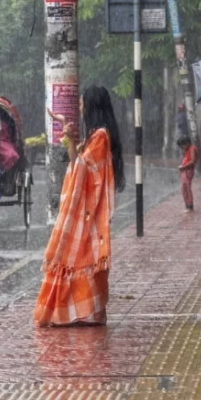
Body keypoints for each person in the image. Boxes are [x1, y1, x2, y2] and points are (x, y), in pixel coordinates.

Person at [34, 86, 125, 327]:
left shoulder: (101, 137)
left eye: (83, 104)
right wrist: (72, 141)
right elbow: (79, 166)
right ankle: (83, 311)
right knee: (81, 255)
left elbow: (84, 169)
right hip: (86, 209)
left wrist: (72, 141)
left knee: (83, 255)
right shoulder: (96, 136)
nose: (81, 108)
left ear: (92, 107)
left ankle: (88, 312)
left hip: (88, 210)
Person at [177, 136, 198, 211]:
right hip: (185, 170)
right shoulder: (188, 149)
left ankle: (189, 205)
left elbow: (192, 162)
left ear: (187, 143)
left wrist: (183, 167)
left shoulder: (192, 149)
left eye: (182, 146)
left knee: (186, 188)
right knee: (184, 188)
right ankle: (188, 204)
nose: (182, 148)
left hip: (187, 171)